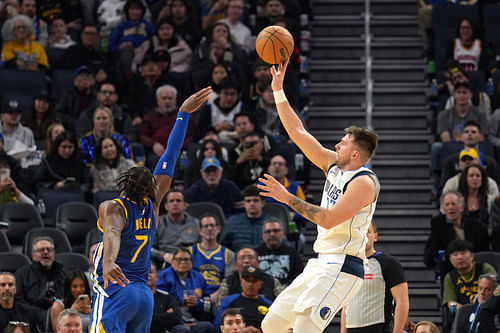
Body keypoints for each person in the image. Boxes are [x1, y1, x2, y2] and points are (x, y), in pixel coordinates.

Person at [258, 60, 380, 333]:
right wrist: (278, 90)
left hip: (344, 266)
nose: (337, 144)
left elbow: (327, 219)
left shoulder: (364, 183)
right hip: (320, 262)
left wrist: (286, 197)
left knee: (304, 329)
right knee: (271, 325)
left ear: (355, 154)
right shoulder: (332, 165)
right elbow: (298, 132)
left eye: (343, 143)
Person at [88, 86, 212, 332]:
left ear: (123, 184)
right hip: (144, 296)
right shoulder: (153, 203)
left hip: (117, 289)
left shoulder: (113, 207)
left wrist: (110, 261)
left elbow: (112, 232)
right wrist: (183, 114)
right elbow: (172, 153)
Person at [340, 221, 409, 333]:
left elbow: (402, 302)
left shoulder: (388, 263)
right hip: (351, 328)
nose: (363, 236)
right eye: (360, 232)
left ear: (375, 237)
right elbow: (346, 306)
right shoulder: (348, 264)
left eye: (367, 232)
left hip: (378, 328)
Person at [423, 191, 490, 278]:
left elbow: (483, 252)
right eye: (447, 205)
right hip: (449, 268)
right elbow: (436, 249)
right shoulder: (438, 224)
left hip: (474, 267)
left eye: (453, 204)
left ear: (461, 207)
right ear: (443, 209)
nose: (451, 208)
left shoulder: (478, 227)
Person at [155, 249, 216, 332]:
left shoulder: (198, 277)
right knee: (183, 330)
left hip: (194, 319)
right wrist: (181, 301)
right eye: (179, 259)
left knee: (209, 327)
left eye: (186, 259)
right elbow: (162, 303)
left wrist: (198, 303)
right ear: (172, 261)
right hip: (173, 323)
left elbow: (208, 301)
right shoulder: (163, 277)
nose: (183, 262)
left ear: (191, 262)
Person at [139, 85, 196, 171]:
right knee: (153, 160)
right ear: (158, 100)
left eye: (170, 98)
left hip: (178, 152)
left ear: (175, 100)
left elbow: (191, 136)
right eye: (164, 98)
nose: (167, 101)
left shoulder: (184, 116)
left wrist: (177, 148)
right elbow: (142, 135)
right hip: (157, 153)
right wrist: (153, 144)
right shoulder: (149, 117)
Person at [216, 247, 284, 307]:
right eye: (242, 258)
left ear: (258, 263)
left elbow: (283, 301)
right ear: (236, 264)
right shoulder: (228, 281)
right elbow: (220, 304)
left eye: (250, 257)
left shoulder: (271, 280)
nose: (246, 261)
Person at [189, 214, 235, 300]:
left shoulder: (228, 254)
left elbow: (229, 281)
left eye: (212, 225)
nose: (209, 229)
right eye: (206, 226)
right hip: (194, 295)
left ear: (218, 229)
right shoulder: (190, 252)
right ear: (200, 231)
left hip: (218, 296)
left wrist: (215, 296)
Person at [442, 240, 496, 311]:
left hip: (487, 310)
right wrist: (466, 311)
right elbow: (451, 303)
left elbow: (496, 291)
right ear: (450, 259)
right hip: (464, 315)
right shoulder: (450, 277)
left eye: (463, 253)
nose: (459, 257)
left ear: (472, 256)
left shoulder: (485, 268)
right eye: (455, 254)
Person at [15, 237, 66, 312]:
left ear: (54, 254)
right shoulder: (22, 274)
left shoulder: (63, 273)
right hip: (31, 316)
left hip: (61, 315)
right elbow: (18, 301)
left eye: (49, 250)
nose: (45, 252)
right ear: (33, 255)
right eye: (41, 250)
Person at [214, 266, 273, 331]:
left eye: (254, 281)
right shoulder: (229, 300)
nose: (250, 284)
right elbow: (218, 325)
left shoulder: (269, 304)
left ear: (260, 284)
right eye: (247, 280)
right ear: (241, 282)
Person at [151, 189, 200, 265]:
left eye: (178, 201)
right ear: (166, 206)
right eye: (171, 201)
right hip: (164, 262)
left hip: (190, 262)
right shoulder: (157, 223)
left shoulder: (196, 224)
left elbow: (203, 247)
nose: (175, 203)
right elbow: (150, 249)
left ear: (185, 205)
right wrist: (163, 255)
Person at [219, 184, 274, 251]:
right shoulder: (231, 223)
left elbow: (283, 246)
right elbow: (222, 248)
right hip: (238, 259)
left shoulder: (272, 223)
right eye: (248, 201)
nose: (252, 204)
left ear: (263, 203)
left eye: (255, 200)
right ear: (243, 204)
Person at [255, 220, 303, 287]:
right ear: (263, 236)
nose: (272, 234)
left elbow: (299, 275)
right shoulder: (255, 253)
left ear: (282, 234)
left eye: (276, 231)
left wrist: (285, 287)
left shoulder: (292, 253)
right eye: (268, 231)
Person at [148, 262, 188, 333]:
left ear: (157, 277)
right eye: (144, 272)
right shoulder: (134, 298)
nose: (148, 275)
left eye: (151, 272)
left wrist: (150, 317)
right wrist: (165, 315)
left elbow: (177, 317)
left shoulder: (167, 297)